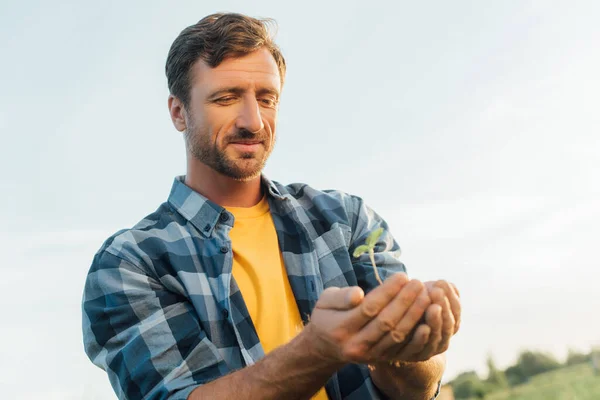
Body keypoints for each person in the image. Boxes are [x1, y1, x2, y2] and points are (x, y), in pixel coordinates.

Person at [82, 13, 461, 400]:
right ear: (178, 112)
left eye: (267, 99)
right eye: (226, 98)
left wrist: (414, 350)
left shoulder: (346, 220)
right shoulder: (130, 263)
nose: (254, 122)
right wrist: (317, 350)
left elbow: (415, 388)